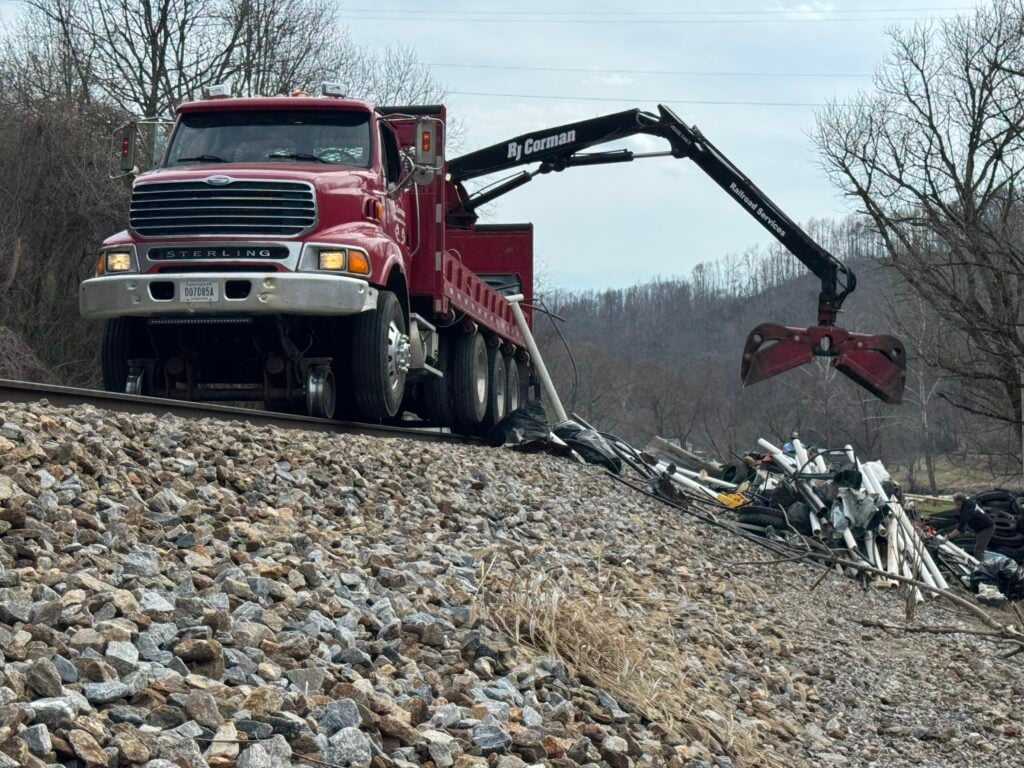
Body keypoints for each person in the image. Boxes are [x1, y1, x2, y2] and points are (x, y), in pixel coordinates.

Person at [947, 492, 995, 560]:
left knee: (978, 551)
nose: (954, 504)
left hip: (986, 529)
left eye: (955, 502)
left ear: (960, 501)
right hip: (980, 527)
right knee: (977, 547)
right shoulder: (969, 502)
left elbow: (959, 529)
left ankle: (982, 567)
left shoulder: (966, 511)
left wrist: (947, 537)